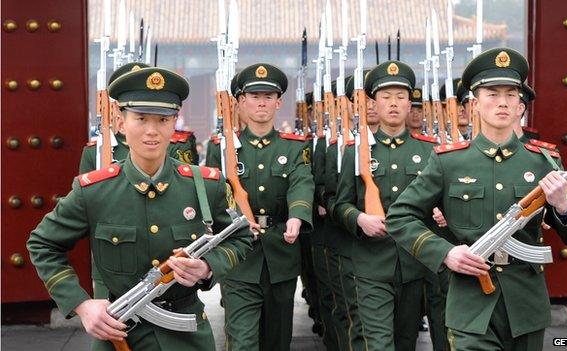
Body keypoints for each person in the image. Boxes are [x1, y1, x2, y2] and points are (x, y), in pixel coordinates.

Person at [27, 67, 252, 350]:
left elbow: (241, 237)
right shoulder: (94, 191)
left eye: (162, 120)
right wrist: (81, 305)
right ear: (121, 123)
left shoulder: (207, 186)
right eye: (141, 118)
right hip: (119, 335)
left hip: (188, 337)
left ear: (174, 123)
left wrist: (208, 267)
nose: (151, 131)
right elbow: (42, 243)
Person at [387, 47, 567, 350]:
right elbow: (399, 216)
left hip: (525, 305)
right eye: (492, 94)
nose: (503, 103)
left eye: (511, 95)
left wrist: (563, 206)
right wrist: (445, 253)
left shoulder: (543, 161)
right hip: (471, 306)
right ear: (474, 104)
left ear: (521, 106)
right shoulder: (449, 162)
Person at [206, 63, 314, 351]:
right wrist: (237, 220)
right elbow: (214, 194)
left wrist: (297, 216)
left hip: (281, 251)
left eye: (269, 96)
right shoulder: (221, 147)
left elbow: (301, 182)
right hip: (239, 256)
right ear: (240, 102)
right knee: (242, 340)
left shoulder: (293, 147)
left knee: (277, 340)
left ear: (279, 102)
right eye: (254, 96)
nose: (262, 102)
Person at [334, 60, 439, 351]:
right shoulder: (357, 151)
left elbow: (439, 201)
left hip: (413, 262)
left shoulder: (429, 151)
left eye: (401, 97)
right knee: (378, 343)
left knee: (406, 342)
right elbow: (340, 204)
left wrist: (441, 213)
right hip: (371, 265)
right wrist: (359, 219)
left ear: (410, 104)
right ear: (373, 104)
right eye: (385, 97)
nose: (393, 104)